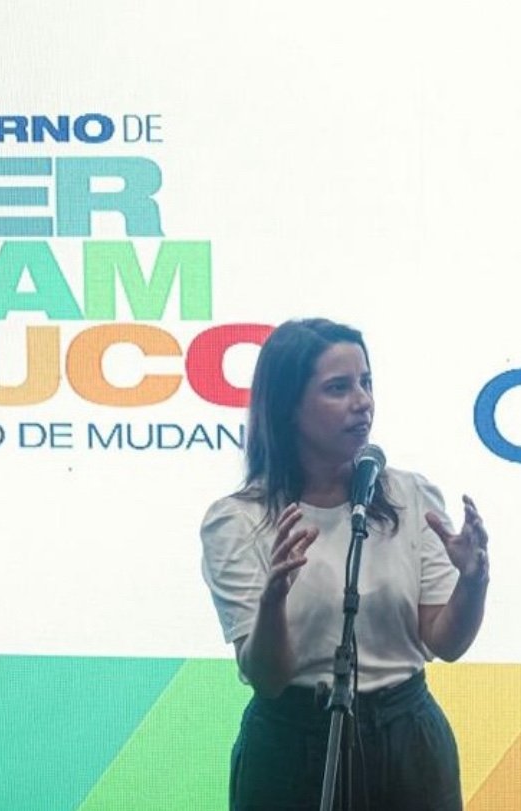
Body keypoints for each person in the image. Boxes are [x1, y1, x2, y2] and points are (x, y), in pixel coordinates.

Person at [200, 318, 490, 811]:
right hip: (293, 740)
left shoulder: (410, 496)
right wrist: (273, 599)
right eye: (338, 388)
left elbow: (446, 642)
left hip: (405, 733)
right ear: (288, 407)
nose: (362, 402)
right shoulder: (239, 520)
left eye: (366, 382)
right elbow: (268, 677)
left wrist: (473, 582)